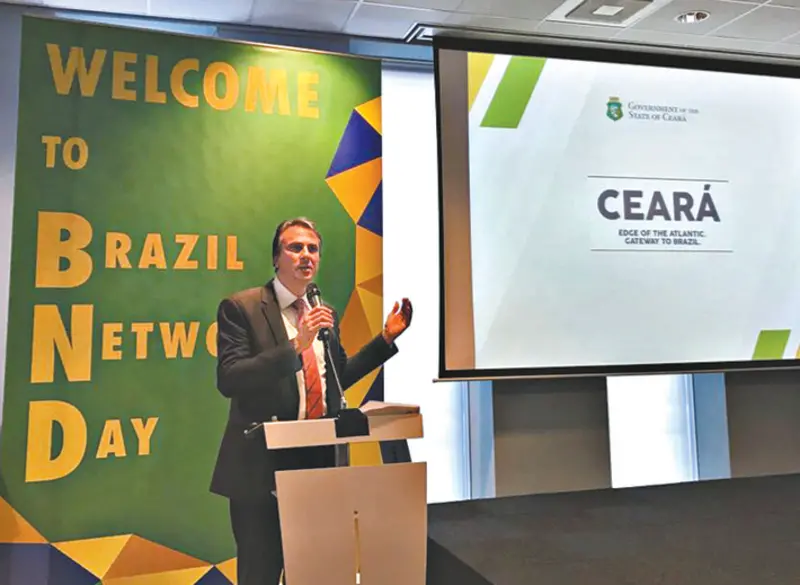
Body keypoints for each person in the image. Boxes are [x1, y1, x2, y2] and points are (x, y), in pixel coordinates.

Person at [209, 217, 413, 585]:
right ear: (276, 258)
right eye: (295, 247)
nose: (306, 255)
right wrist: (295, 345)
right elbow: (230, 378)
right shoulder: (242, 308)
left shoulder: (321, 313)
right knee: (259, 574)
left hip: (317, 462)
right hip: (262, 469)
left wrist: (384, 340)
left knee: (316, 573)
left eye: (313, 249)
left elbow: (336, 378)